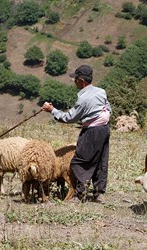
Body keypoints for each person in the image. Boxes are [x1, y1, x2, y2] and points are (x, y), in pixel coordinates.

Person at [41, 65, 111, 204]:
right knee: (100, 160)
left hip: (92, 131)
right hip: (104, 129)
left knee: (79, 161)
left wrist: (52, 110)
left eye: (75, 79)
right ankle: (99, 193)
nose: (74, 82)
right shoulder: (101, 92)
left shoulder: (83, 99)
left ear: (82, 81)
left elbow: (69, 118)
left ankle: (80, 194)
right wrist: (101, 117)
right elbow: (107, 107)